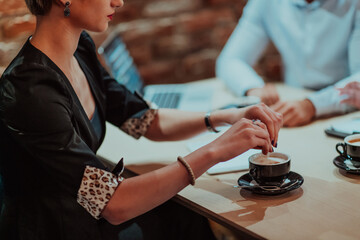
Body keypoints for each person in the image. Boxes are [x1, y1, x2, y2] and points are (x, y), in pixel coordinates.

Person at [0, 0, 283, 239]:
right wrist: (215, 151)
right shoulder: (30, 90)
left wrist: (227, 116)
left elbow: (142, 118)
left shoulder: (80, 48)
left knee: (187, 216)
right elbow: (113, 203)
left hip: (86, 215)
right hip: (57, 229)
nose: (119, 2)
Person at [216, 0, 360, 127]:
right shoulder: (265, 3)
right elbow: (230, 60)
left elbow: (358, 81)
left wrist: (312, 105)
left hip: (344, 115)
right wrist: (252, 87)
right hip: (290, 109)